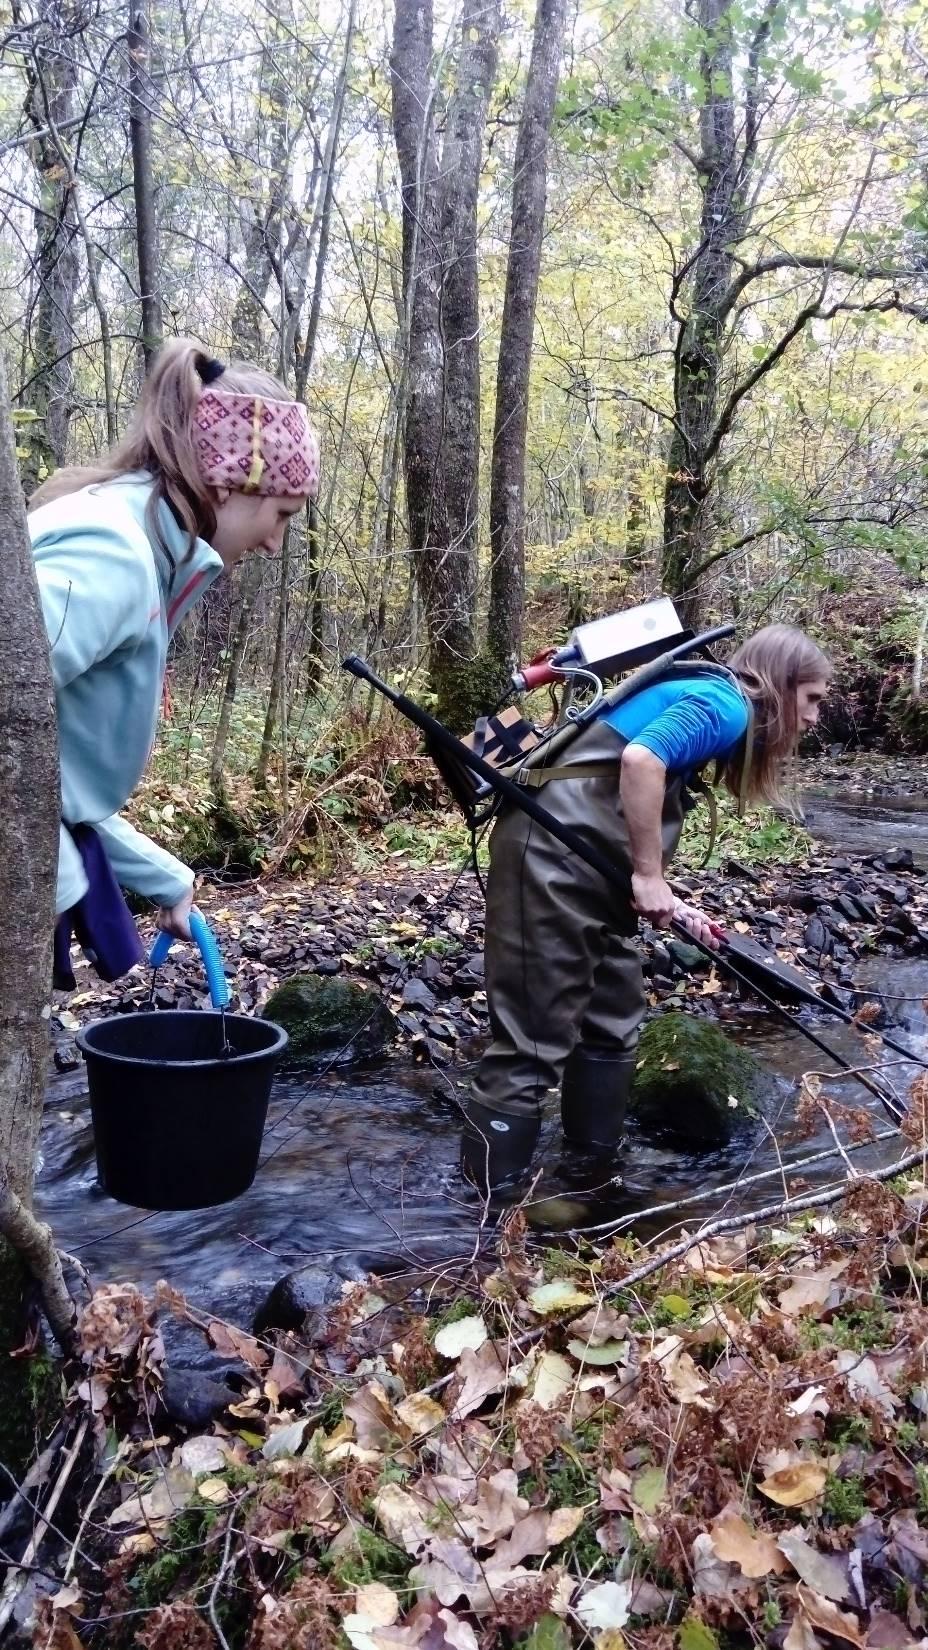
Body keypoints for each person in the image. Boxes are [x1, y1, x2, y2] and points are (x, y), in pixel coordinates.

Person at [460, 624, 831, 1192]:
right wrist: (650, 876)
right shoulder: (726, 704)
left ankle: (590, 1183)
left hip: (587, 867)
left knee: (612, 1026)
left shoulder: (714, 701)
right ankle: (480, 1219)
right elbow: (640, 761)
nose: (812, 717)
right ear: (781, 684)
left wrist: (663, 894)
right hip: (552, 859)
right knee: (531, 1044)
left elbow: (627, 798)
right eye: (812, 700)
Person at [28, 339, 320, 990]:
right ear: (232, 479)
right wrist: (54, 881)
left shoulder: (138, 542)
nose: (275, 541)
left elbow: (56, 773)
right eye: (281, 514)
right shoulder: (114, 552)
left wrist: (166, 880)